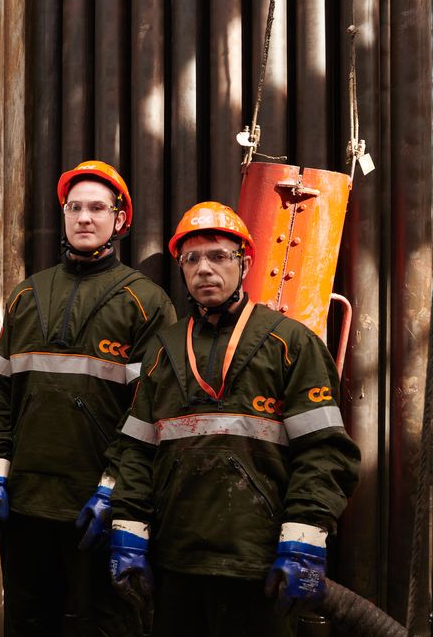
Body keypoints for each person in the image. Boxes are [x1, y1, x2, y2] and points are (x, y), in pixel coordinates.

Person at [108, 201, 360, 636]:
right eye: (192, 258)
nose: (204, 268)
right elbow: (135, 451)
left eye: (219, 255)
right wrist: (128, 531)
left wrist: (304, 536)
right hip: (176, 561)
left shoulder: (290, 343)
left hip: (259, 563)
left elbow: (324, 451)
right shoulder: (163, 350)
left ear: (245, 263)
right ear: (181, 269)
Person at [0, 160, 175, 635]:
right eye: (74, 207)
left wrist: (115, 487)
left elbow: (151, 412)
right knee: (27, 621)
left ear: (119, 220)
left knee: (104, 624)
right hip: (25, 503)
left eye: (97, 208)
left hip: (97, 506)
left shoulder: (145, 302)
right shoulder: (27, 295)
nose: (84, 217)